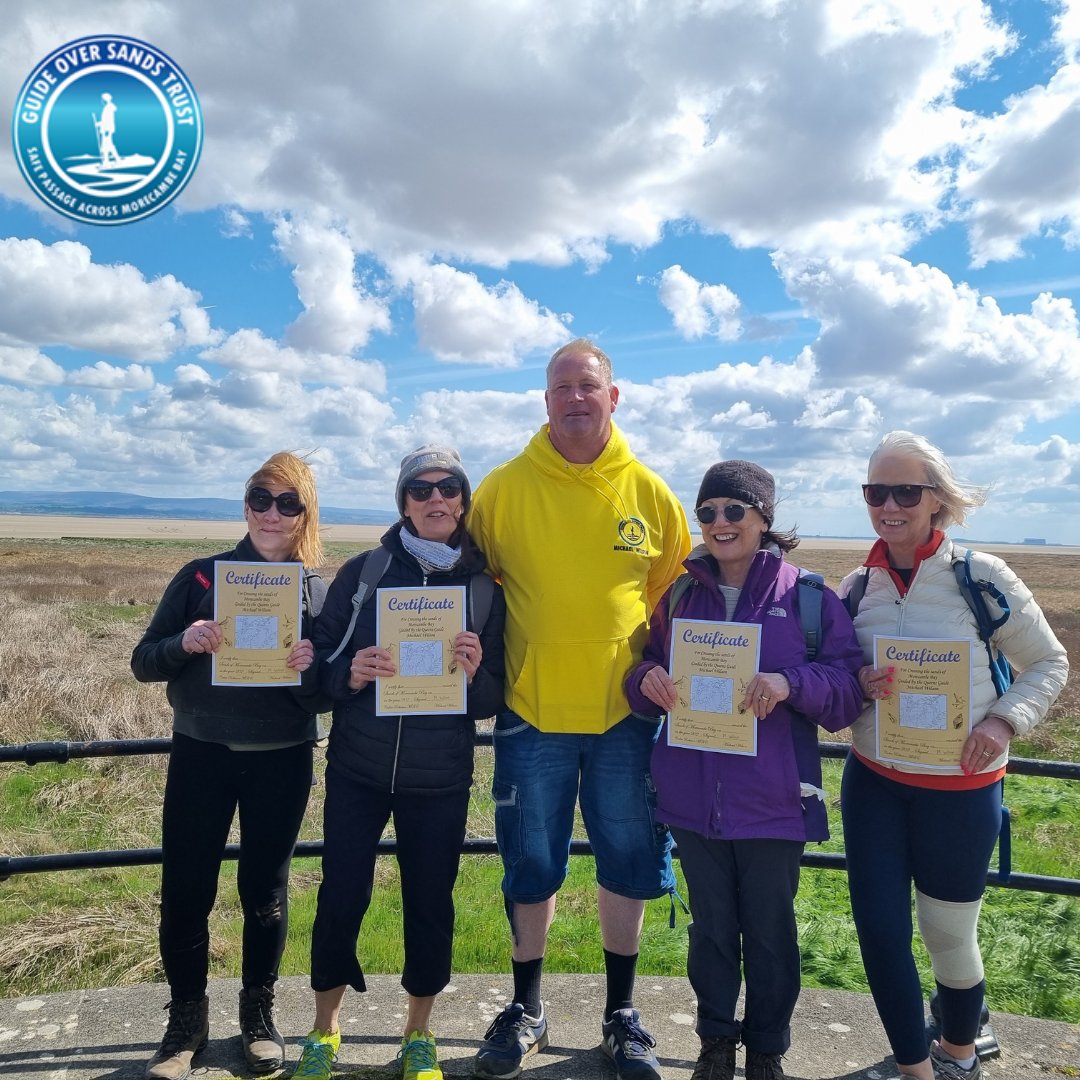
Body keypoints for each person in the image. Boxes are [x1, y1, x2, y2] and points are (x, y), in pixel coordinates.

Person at [467, 339, 692, 1080]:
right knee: (530, 860)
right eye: (561, 387)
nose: (574, 398)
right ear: (545, 400)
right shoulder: (502, 491)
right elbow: (475, 584)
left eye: (587, 386)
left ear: (613, 396)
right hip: (532, 713)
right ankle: (526, 1008)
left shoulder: (651, 494)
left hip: (626, 718)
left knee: (629, 856)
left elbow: (667, 600)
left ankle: (621, 1015)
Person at [839, 431, 1068, 1080]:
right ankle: (916, 1067)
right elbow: (834, 674)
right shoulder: (855, 587)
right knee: (880, 932)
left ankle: (960, 1053)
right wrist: (854, 682)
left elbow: (1049, 663)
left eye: (906, 492)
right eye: (876, 492)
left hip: (961, 789)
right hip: (874, 783)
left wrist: (1003, 722)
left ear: (937, 499)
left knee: (946, 932)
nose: (889, 505)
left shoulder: (981, 577)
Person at [625, 460, 864, 1080]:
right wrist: (645, 679)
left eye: (734, 510)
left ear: (764, 518)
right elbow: (644, 669)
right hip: (692, 798)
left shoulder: (808, 598)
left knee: (769, 934)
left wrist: (790, 683)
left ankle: (766, 1051)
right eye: (707, 513)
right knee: (710, 932)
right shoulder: (680, 595)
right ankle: (715, 1045)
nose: (720, 523)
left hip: (773, 801)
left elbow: (847, 693)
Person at [291, 446, 506, 1080]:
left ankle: (419, 1035)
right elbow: (318, 664)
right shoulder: (366, 572)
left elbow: (492, 699)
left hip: (440, 779)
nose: (436, 499)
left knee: (431, 903)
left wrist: (473, 673)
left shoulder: (483, 590)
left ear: (463, 502)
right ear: (403, 502)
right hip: (358, 770)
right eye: (421, 489)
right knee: (341, 895)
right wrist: (351, 673)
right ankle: (323, 1029)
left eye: (448, 488)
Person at [131, 452, 328, 1079]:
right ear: (245, 507)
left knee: (264, 893)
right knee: (186, 890)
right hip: (202, 755)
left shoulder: (317, 592)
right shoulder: (199, 577)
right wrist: (183, 643)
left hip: (283, 759)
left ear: (304, 515)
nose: (272, 513)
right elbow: (143, 661)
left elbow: (329, 695)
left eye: (288, 502)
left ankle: (258, 1016)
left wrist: (309, 671)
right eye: (260, 499)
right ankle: (186, 1023)